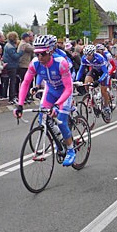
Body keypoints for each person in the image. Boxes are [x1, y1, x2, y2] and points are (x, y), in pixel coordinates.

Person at [13, 35, 76, 166]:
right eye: (37, 54)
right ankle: (59, 142)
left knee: (62, 122)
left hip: (64, 92)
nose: (40, 57)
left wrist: (58, 105)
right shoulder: (35, 63)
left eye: (43, 54)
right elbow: (25, 83)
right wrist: (19, 105)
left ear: (51, 51)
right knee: (43, 119)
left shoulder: (61, 63)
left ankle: (70, 150)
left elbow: (69, 88)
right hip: (51, 90)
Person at [76, 44, 112, 121]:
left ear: (93, 54)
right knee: (87, 81)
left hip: (103, 72)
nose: (87, 57)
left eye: (88, 55)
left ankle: (106, 107)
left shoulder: (99, 58)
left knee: (103, 91)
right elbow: (81, 70)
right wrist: (76, 80)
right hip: (94, 71)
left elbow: (105, 72)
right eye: (85, 55)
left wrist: (99, 81)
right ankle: (92, 97)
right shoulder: (84, 58)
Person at [3, 31, 24, 104]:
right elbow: (15, 56)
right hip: (12, 66)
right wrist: (21, 52)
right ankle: (12, 97)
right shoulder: (10, 47)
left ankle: (12, 96)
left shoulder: (7, 45)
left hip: (9, 65)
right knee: (13, 81)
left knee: (13, 81)